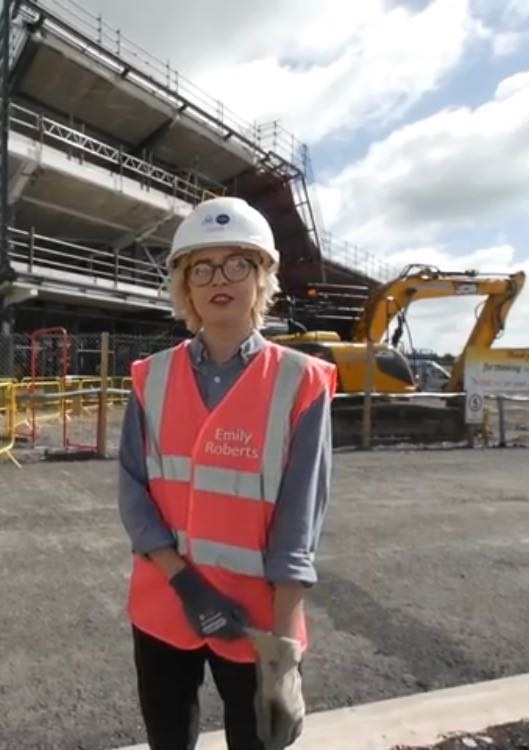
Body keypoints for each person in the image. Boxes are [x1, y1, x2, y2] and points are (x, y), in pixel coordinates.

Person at [117, 196, 337, 750]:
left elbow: (299, 520)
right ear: (185, 286)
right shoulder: (151, 378)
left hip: (256, 620)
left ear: (262, 278)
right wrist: (185, 582)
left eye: (238, 263)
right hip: (166, 603)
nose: (220, 279)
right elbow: (133, 491)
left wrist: (284, 654)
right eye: (202, 267)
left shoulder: (300, 381)